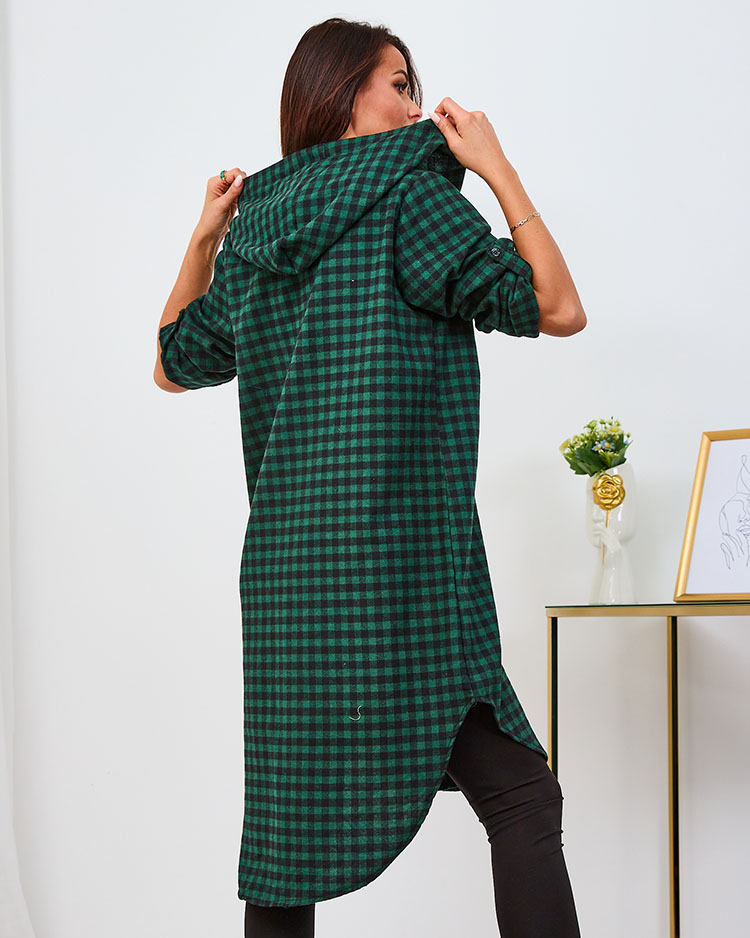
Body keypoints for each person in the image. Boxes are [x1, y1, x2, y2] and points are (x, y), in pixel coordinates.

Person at [154, 16, 585, 938]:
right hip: (399, 569)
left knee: (287, 848)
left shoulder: (256, 237)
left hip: (290, 587)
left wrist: (204, 240)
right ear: (344, 94)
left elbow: (171, 361)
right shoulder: (409, 199)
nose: (416, 107)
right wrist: (498, 168)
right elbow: (557, 306)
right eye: (399, 84)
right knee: (520, 796)